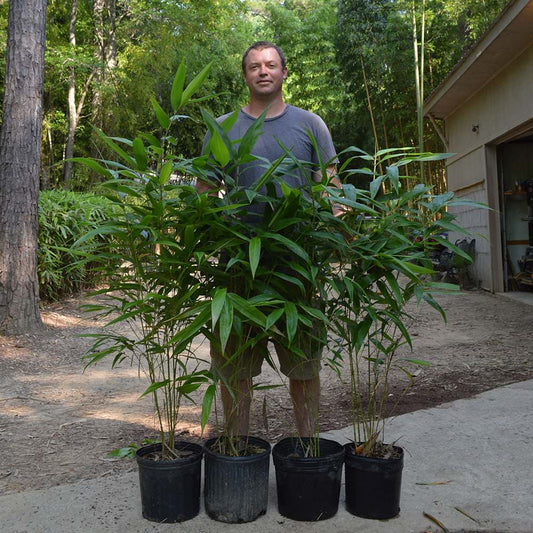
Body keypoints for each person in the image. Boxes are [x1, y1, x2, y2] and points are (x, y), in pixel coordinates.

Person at [197, 41, 341, 437]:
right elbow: (204, 194)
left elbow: (330, 188)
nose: (263, 71)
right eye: (255, 66)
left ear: (284, 72)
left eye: (271, 65)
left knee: (305, 366)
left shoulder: (310, 125)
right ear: (244, 76)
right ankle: (238, 447)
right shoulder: (223, 128)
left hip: (298, 266)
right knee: (234, 368)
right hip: (239, 267)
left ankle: (309, 448)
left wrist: (343, 226)